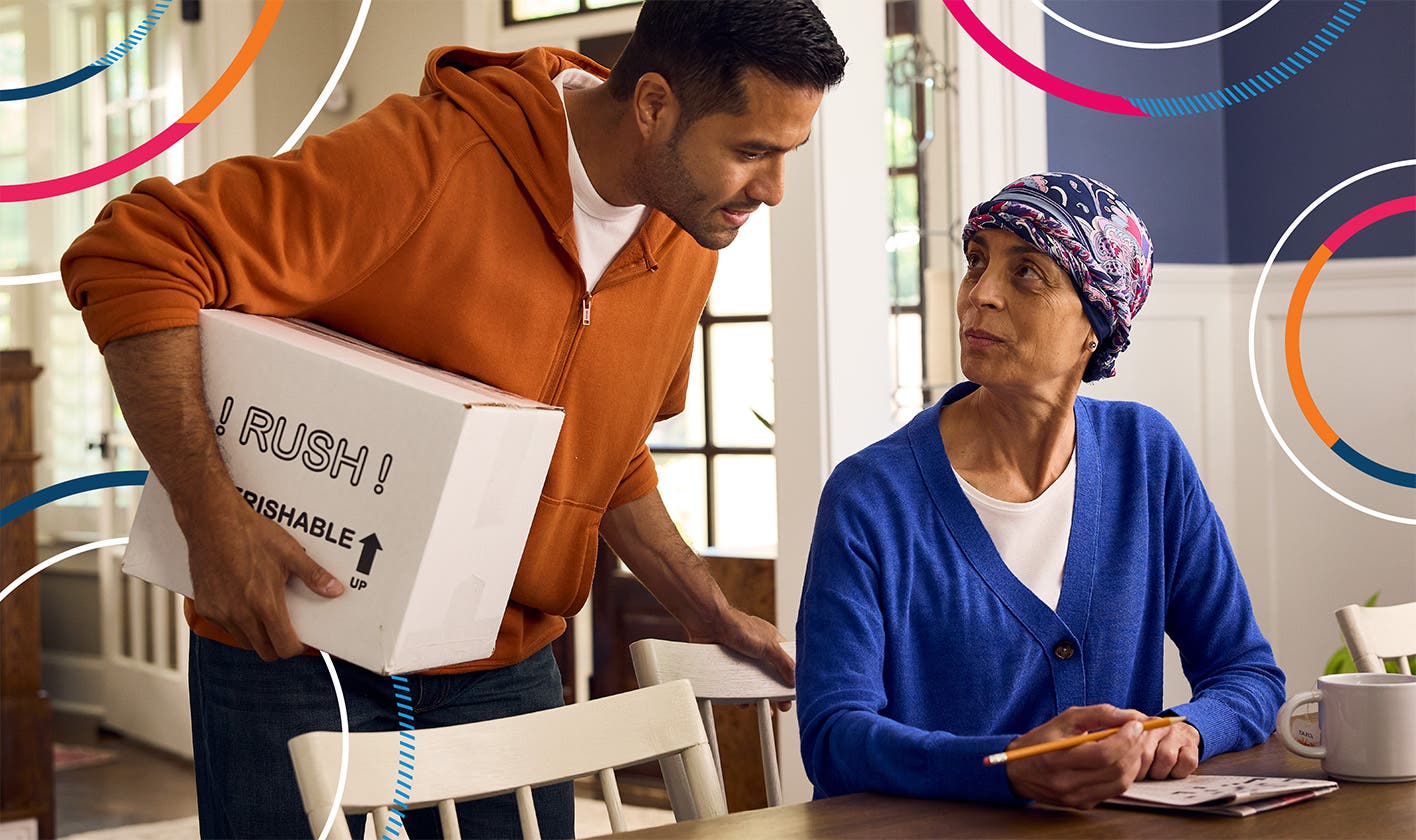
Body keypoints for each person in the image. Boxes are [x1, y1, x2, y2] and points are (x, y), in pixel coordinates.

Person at [61, 2, 846, 836]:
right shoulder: (425, 160)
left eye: (787, 154)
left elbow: (605, 454)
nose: (773, 190)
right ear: (653, 104)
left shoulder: (692, 231)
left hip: (503, 662)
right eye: (751, 151)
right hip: (291, 645)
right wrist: (210, 514)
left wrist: (705, 609)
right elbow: (132, 255)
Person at [795, 173, 1285, 810]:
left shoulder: (1147, 455)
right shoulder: (870, 497)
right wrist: (1004, 769)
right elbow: (834, 736)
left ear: (1095, 323)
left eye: (1026, 272)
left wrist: (1186, 729)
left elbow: (1246, 671)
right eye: (977, 262)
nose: (980, 295)